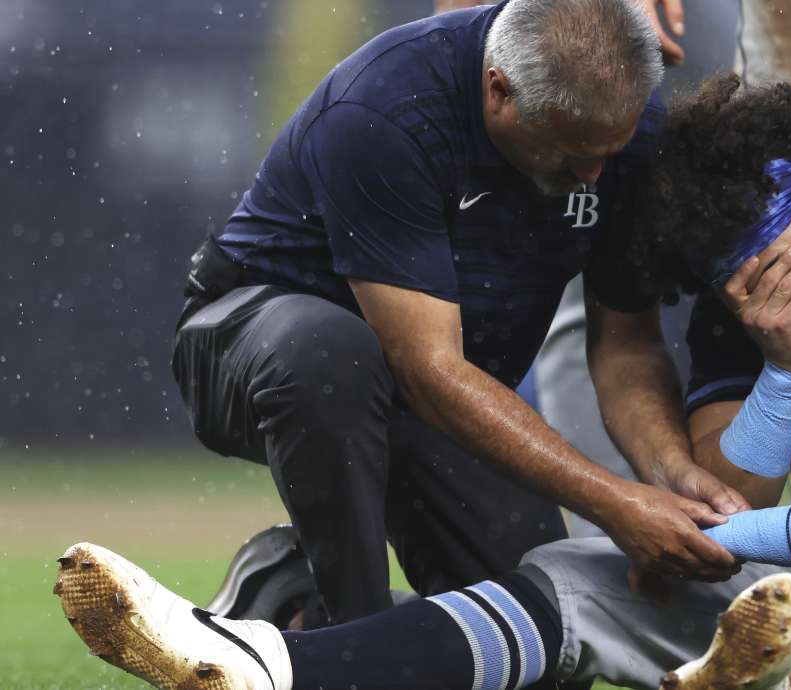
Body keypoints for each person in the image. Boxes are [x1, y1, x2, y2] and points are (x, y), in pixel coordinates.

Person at [59, 77, 791, 690]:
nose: (782, 301)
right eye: (742, 295)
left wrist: (727, 539)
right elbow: (733, 486)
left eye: (787, 276)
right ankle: (273, 665)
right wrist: (783, 370)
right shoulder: (759, 299)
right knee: (578, 575)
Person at [172, 0, 747, 634]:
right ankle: (348, 633)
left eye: (610, 151)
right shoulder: (385, 110)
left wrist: (669, 473)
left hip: (434, 388)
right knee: (331, 352)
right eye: (570, 151)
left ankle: (289, 601)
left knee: (540, 638)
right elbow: (426, 368)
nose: (593, 175)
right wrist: (616, 505)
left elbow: (625, 347)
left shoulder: (620, 128)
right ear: (498, 90)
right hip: (253, 351)